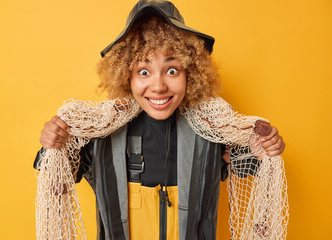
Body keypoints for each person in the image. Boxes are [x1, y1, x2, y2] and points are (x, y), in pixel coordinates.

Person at [34, 0, 285, 239]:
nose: (158, 86)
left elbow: (257, 165)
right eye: (144, 72)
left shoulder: (213, 131)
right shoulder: (102, 132)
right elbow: (55, 171)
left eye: (172, 70)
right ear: (125, 76)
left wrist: (267, 149)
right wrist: (52, 143)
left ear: (191, 73)